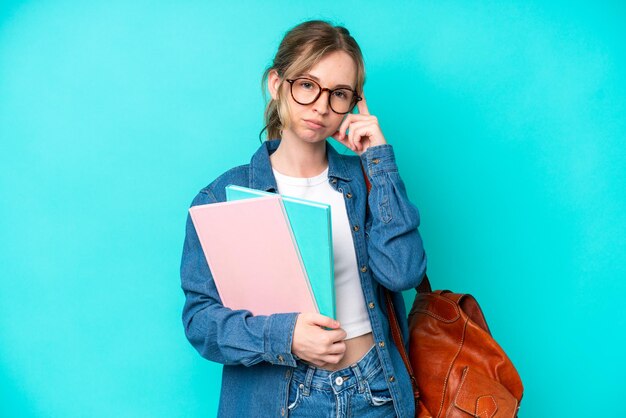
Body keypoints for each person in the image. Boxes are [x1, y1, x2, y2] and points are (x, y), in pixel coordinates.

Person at [180, 20, 427, 418]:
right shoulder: (218, 199)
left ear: (354, 102)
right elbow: (201, 322)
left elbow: (403, 274)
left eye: (339, 94)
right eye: (308, 85)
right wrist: (287, 336)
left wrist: (379, 164)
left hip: (375, 391)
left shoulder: (365, 181)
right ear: (277, 83)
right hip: (286, 399)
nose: (321, 106)